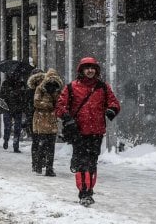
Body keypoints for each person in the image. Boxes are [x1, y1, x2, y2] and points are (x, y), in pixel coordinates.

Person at [55, 57, 120, 207]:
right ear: (81, 70)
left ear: (96, 70)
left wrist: (111, 110)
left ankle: (89, 190)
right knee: (82, 163)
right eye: (87, 68)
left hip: (96, 132)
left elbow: (114, 102)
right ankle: (84, 192)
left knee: (92, 163)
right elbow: (60, 106)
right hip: (78, 132)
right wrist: (67, 118)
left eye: (93, 68)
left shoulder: (103, 87)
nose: (90, 70)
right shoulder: (71, 87)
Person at [27, 68, 63, 176]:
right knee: (42, 144)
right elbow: (36, 103)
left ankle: (49, 168)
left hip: (51, 120)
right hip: (41, 119)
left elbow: (60, 103)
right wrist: (50, 105)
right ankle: (39, 164)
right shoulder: (40, 88)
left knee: (51, 145)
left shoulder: (57, 90)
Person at [0, 72, 27, 153]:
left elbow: (1, 96)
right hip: (11, 108)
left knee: (11, 127)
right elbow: (1, 96)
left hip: (13, 108)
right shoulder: (7, 83)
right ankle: (11, 142)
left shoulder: (20, 84)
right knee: (13, 127)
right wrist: (11, 94)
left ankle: (11, 142)